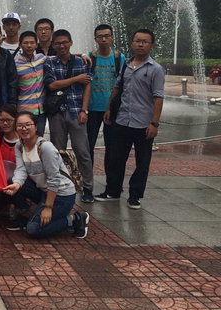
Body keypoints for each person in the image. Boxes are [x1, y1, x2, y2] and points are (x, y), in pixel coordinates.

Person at [96, 29, 165, 210]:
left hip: (144, 123)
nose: (140, 44)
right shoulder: (126, 64)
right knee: (116, 159)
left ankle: (135, 196)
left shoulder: (156, 69)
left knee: (142, 162)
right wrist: (109, 108)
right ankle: (112, 191)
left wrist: (154, 123)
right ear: (132, 43)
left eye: (144, 42)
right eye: (137, 41)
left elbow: (158, 97)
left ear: (151, 45)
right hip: (122, 120)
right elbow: (117, 87)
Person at [1, 112, 89, 238]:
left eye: (28, 125)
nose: (24, 128)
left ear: (36, 127)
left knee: (34, 229)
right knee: (10, 181)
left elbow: (54, 179)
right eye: (20, 126)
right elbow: (21, 170)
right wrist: (17, 184)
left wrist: (48, 207)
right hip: (43, 191)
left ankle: (75, 219)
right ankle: (25, 213)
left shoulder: (45, 147)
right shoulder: (19, 145)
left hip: (62, 196)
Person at [44, 29, 95, 203]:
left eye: (65, 42)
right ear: (53, 45)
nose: (61, 46)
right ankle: (60, 186)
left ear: (71, 42)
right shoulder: (50, 63)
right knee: (57, 152)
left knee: (82, 151)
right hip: (57, 113)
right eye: (58, 43)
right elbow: (51, 85)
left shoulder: (82, 62)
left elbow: (87, 86)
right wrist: (76, 79)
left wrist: (84, 110)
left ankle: (87, 187)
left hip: (76, 111)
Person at [87, 24, 125, 166]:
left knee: (112, 146)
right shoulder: (90, 57)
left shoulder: (119, 58)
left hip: (112, 109)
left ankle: (112, 178)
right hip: (92, 108)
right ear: (95, 39)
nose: (103, 39)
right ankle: (87, 177)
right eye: (100, 36)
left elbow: (123, 82)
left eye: (107, 36)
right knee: (88, 145)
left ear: (112, 37)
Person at [0, 104, 24, 220]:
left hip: (21, 181)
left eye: (9, 120)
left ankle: (22, 208)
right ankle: (7, 203)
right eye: (2, 120)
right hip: (1, 182)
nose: (5, 123)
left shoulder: (24, 140)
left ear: (15, 120)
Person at [14, 31, 50, 136]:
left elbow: (59, 58)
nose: (29, 45)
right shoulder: (15, 65)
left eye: (32, 43)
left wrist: (83, 55)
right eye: (26, 43)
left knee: (39, 138)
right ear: (20, 45)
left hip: (41, 110)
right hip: (24, 110)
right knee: (25, 138)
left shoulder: (41, 58)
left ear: (36, 45)